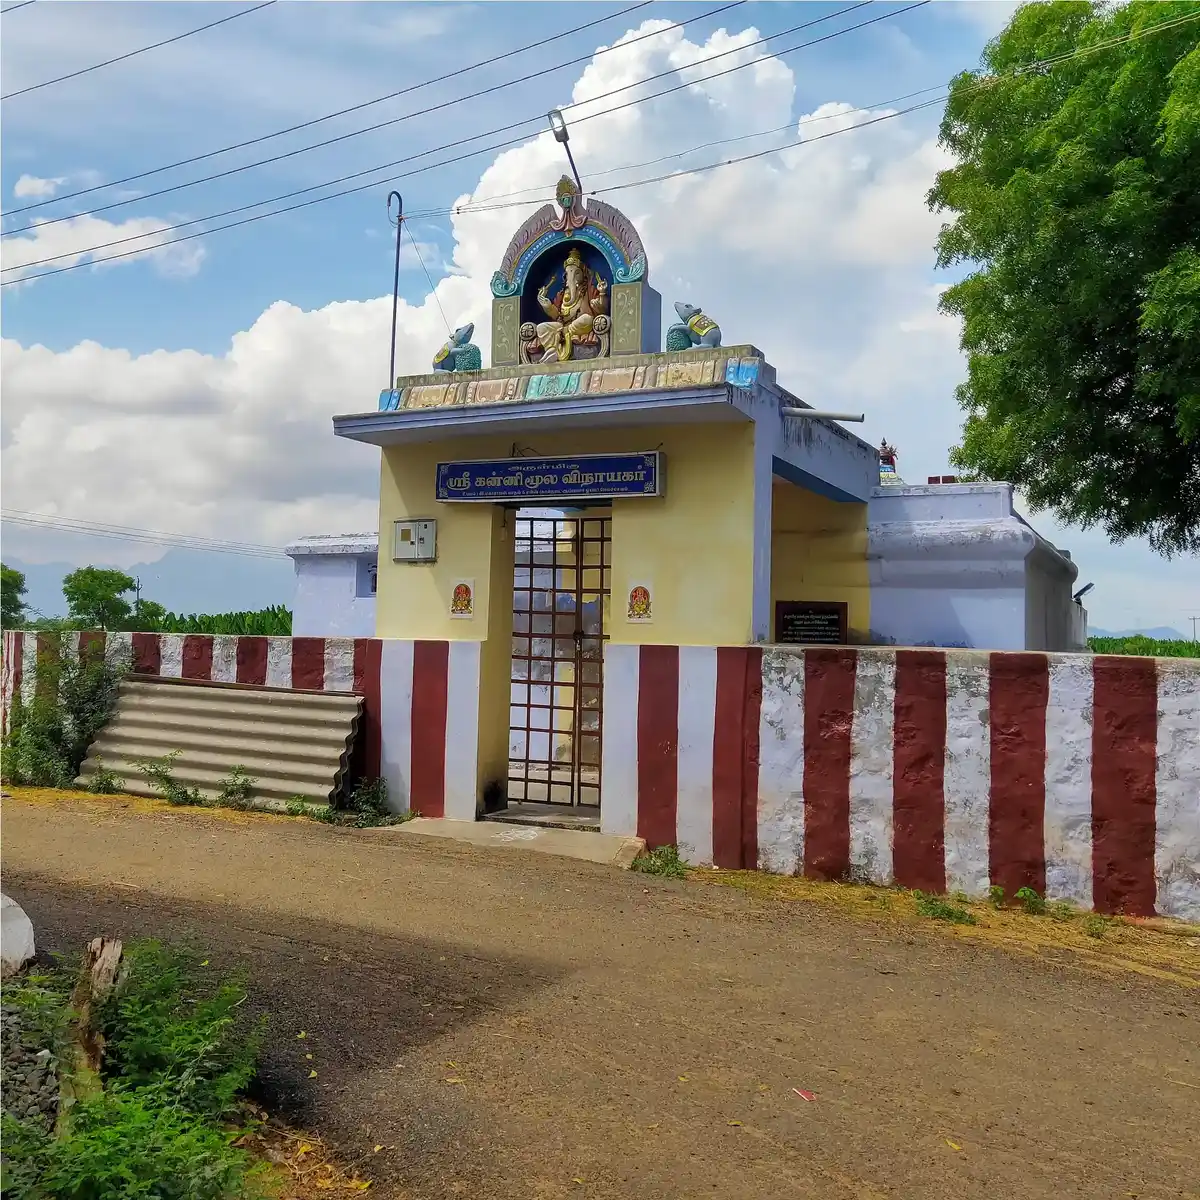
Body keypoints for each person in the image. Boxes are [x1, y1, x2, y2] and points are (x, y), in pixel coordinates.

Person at [535, 246, 607, 363]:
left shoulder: (588, 290)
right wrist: (547, 306)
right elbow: (556, 315)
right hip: (562, 326)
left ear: (583, 275)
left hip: (579, 326)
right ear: (566, 276)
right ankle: (551, 350)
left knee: (587, 319)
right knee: (541, 327)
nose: (572, 277)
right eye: (569, 274)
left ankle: (563, 333)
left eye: (576, 274)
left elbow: (602, 309)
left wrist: (602, 293)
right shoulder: (562, 294)